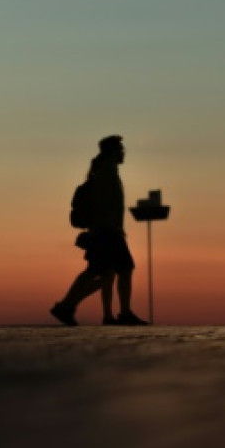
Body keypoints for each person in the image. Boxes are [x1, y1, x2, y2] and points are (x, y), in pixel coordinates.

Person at [51, 135, 149, 326]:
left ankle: (66, 306)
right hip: (108, 232)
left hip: (105, 230)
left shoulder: (104, 170)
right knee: (124, 268)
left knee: (101, 272)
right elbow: (105, 204)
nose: (123, 152)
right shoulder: (107, 172)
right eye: (120, 149)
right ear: (112, 151)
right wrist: (111, 227)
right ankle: (125, 313)